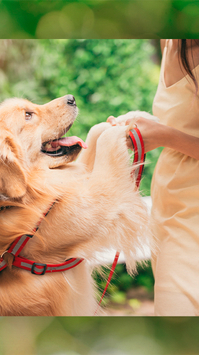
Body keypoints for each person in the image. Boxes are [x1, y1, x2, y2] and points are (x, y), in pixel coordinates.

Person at [108, 39, 199, 316]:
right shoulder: (170, 42)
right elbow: (184, 122)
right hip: (169, 210)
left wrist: (163, 136)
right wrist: (145, 125)